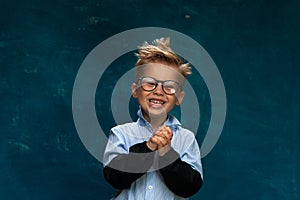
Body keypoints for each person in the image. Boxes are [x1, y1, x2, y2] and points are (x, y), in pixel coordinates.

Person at [103, 37, 203, 199]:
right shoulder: (120, 134)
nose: (159, 91)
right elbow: (115, 177)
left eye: (169, 86)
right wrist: (148, 148)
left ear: (179, 97)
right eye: (150, 83)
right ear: (135, 90)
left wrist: (167, 154)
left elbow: (189, 187)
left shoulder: (187, 138)